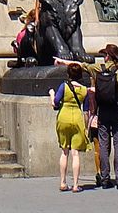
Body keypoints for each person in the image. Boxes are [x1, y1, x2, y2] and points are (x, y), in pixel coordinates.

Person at [86, 44, 118, 189]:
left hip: (103, 112)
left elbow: (82, 66)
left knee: (104, 146)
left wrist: (63, 62)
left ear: (107, 56)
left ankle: (105, 179)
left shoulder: (97, 69)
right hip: (117, 110)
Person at [51, 61, 91, 192]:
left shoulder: (64, 86)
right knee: (75, 154)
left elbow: (56, 103)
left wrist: (51, 94)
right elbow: (86, 110)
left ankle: (62, 182)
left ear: (68, 74)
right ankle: (75, 184)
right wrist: (85, 127)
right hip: (77, 119)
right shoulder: (84, 90)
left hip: (63, 117)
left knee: (64, 151)